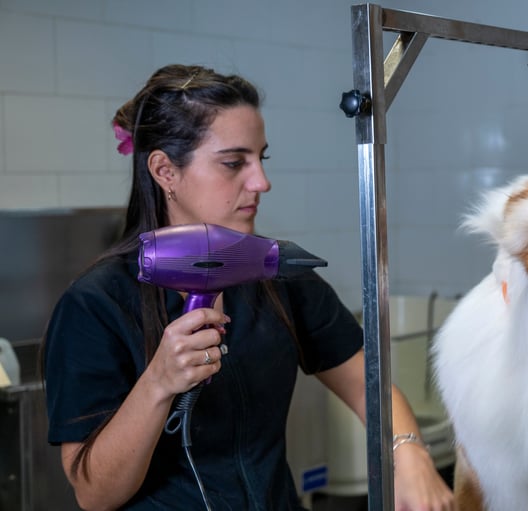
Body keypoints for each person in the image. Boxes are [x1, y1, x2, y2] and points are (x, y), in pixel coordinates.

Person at [43, 64, 455, 511]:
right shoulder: (95, 305)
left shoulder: (277, 278)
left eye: (262, 158)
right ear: (165, 171)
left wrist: (408, 451)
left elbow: (365, 383)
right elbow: (94, 494)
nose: (261, 182)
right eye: (234, 163)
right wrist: (158, 384)